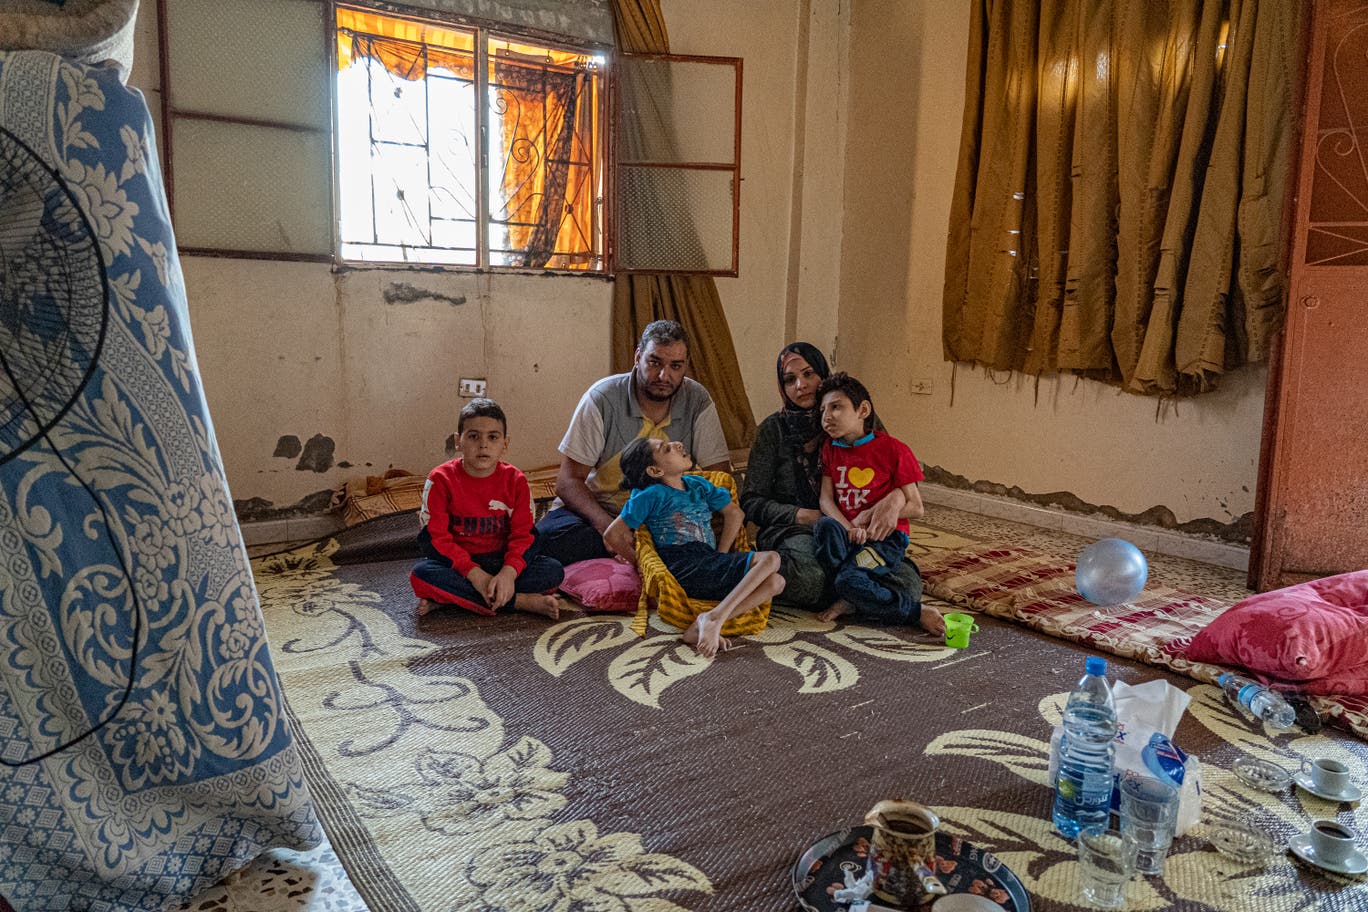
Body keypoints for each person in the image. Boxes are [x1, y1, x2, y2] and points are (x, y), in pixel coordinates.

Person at [740, 343, 926, 613]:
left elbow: (902, 472)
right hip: (797, 530)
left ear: (823, 376)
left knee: (910, 586)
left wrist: (893, 502)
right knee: (810, 578)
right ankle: (860, 593)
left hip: (859, 528)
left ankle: (853, 590)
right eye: (790, 380)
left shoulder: (855, 414)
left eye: (809, 374)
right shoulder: (773, 430)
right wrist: (804, 515)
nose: (800, 385)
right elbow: (751, 500)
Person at [536, 320, 731, 567]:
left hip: (668, 519)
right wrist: (610, 531)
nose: (664, 375)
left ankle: (643, 559)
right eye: (655, 362)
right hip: (600, 515)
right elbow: (568, 482)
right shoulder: (602, 398)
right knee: (548, 539)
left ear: (686, 367)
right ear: (638, 357)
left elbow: (720, 475)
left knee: (725, 528)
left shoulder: (698, 400)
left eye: (676, 366)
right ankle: (638, 559)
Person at [603, 436, 784, 657]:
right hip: (681, 563)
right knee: (772, 558)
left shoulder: (699, 486)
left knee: (776, 581)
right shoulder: (651, 495)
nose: (677, 444)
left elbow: (735, 513)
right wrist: (640, 564)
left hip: (707, 560)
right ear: (655, 470)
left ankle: (707, 622)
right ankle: (714, 619)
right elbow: (612, 534)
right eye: (666, 448)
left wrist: (722, 553)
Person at [812, 372, 945, 635]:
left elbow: (916, 507)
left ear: (863, 410)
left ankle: (914, 611)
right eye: (823, 409)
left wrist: (871, 519)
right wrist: (849, 527)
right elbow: (826, 500)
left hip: (885, 539)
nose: (827, 416)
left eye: (836, 407)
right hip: (851, 533)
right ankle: (855, 593)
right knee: (825, 528)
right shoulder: (831, 448)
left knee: (848, 579)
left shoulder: (894, 450)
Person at [410, 398, 564, 619]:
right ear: (458, 441)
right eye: (473, 436)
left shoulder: (516, 480)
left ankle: (454, 600)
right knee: (421, 575)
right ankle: (520, 602)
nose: (483, 445)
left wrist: (509, 573)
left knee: (553, 571)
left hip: (502, 562)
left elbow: (524, 536)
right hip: (461, 566)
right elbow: (435, 539)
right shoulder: (440, 479)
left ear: (505, 444)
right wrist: (475, 575)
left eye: (493, 437)